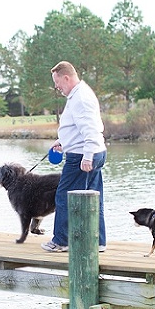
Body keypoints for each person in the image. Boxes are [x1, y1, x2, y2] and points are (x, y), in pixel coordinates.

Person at [41, 61, 107, 253]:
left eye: (57, 82)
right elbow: (77, 128)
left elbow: (91, 129)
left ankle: (62, 241)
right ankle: (99, 241)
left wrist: (87, 157)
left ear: (66, 77)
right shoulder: (79, 94)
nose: (56, 87)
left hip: (82, 156)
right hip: (90, 152)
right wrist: (63, 141)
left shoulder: (80, 98)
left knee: (64, 197)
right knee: (94, 199)